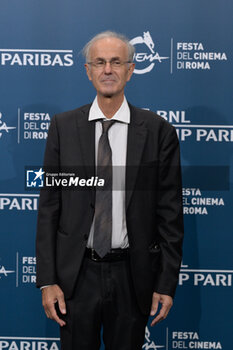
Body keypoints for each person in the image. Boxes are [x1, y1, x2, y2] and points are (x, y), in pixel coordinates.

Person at [36, 31, 184, 350]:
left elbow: (170, 214)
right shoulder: (62, 127)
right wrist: (47, 280)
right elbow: (49, 208)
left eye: (116, 62)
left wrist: (166, 283)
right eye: (100, 62)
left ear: (130, 71)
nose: (108, 70)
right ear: (88, 71)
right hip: (76, 278)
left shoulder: (159, 132)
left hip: (133, 277)